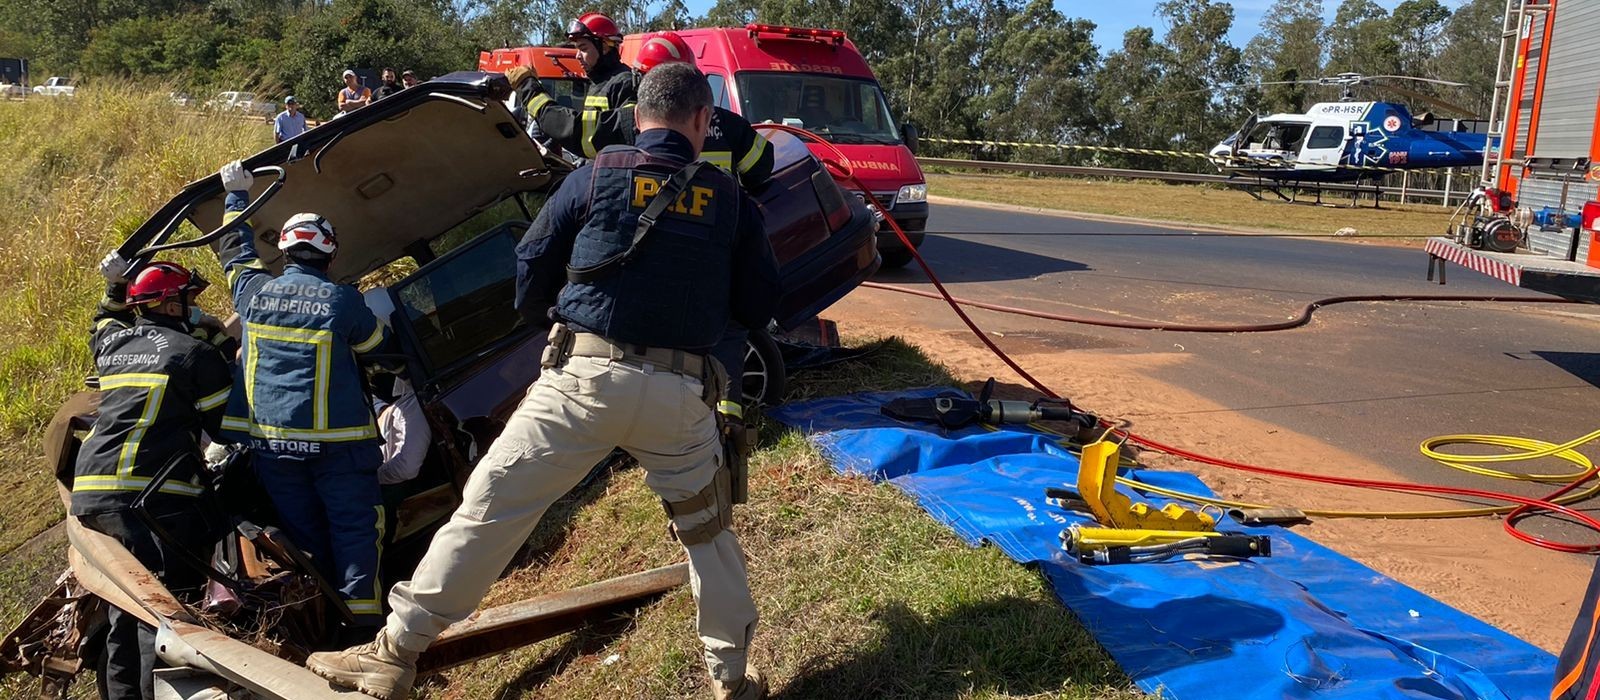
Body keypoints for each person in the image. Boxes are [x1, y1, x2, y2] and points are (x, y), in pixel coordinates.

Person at [306, 62, 778, 700]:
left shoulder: (592, 178)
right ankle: (731, 680)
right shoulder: (730, 200)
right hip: (678, 399)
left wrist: (548, 317)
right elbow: (759, 304)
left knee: (488, 513)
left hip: (579, 385)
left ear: (638, 118)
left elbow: (530, 259)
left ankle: (396, 654)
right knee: (708, 535)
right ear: (702, 121)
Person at [211, 160, 393, 630]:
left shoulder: (253, 293)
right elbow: (376, 346)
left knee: (305, 537)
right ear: (330, 258)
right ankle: (364, 627)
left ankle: (324, 622)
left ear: (285, 253)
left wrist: (235, 195)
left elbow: (234, 251)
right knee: (355, 530)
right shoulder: (343, 300)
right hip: (340, 447)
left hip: (275, 449)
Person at [73, 259, 233, 700]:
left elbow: (105, 320)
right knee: (161, 608)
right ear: (167, 302)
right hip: (150, 499)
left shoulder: (114, 344)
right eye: (189, 299)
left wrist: (113, 284)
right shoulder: (194, 353)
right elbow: (227, 428)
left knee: (124, 607)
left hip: (92, 495)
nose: (194, 308)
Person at [512, 31, 774, 186]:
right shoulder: (729, 124)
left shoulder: (632, 122)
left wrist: (527, 87)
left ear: (644, 80)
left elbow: (567, 127)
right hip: (712, 244)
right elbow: (762, 170)